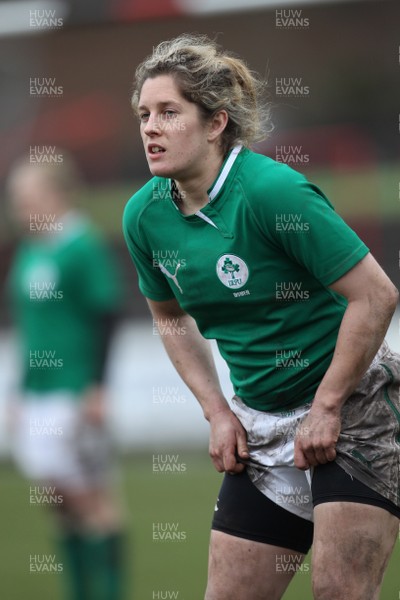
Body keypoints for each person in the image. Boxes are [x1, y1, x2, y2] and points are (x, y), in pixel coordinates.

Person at [122, 33, 400, 600]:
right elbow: (170, 318)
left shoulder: (274, 192)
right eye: (144, 114)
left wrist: (326, 406)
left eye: (169, 112)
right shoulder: (144, 216)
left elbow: (376, 295)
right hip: (260, 423)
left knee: (340, 593)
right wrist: (217, 412)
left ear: (216, 122)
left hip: (355, 411)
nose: (150, 127)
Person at [6, 152, 125, 600]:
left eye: (27, 196)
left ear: (55, 195)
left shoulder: (83, 246)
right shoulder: (30, 250)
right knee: (57, 502)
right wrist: (18, 391)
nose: (18, 206)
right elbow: (31, 328)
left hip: (74, 390)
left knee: (91, 499)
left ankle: (108, 592)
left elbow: (106, 316)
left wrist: (97, 386)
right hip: (36, 391)